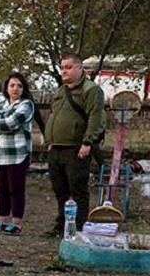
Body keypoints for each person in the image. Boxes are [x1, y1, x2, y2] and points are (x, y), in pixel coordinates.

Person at [43, 52, 106, 235]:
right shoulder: (61, 91)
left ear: (80, 68)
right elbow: (54, 115)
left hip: (76, 148)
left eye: (69, 67)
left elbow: (95, 117)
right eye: (62, 68)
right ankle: (61, 225)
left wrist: (87, 142)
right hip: (56, 148)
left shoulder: (90, 90)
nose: (64, 71)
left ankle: (77, 227)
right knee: (60, 189)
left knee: (77, 190)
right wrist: (50, 141)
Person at [0, 72, 36, 235]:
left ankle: (17, 223)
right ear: (6, 88)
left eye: (19, 86)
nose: (15, 89)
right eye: (12, 85)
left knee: (16, 189)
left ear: (24, 89)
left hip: (18, 153)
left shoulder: (26, 105)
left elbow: (12, 123)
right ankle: (3, 220)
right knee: (2, 189)